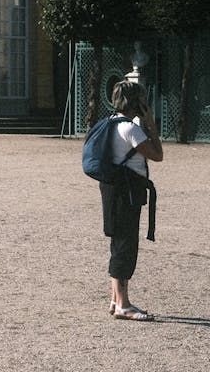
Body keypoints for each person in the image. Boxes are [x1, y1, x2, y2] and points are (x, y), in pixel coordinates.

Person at [101, 79, 163, 321]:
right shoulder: (131, 129)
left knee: (118, 241)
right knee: (126, 245)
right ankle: (124, 305)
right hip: (128, 189)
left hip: (111, 187)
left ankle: (115, 299)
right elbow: (157, 155)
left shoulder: (108, 123)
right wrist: (150, 123)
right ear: (136, 102)